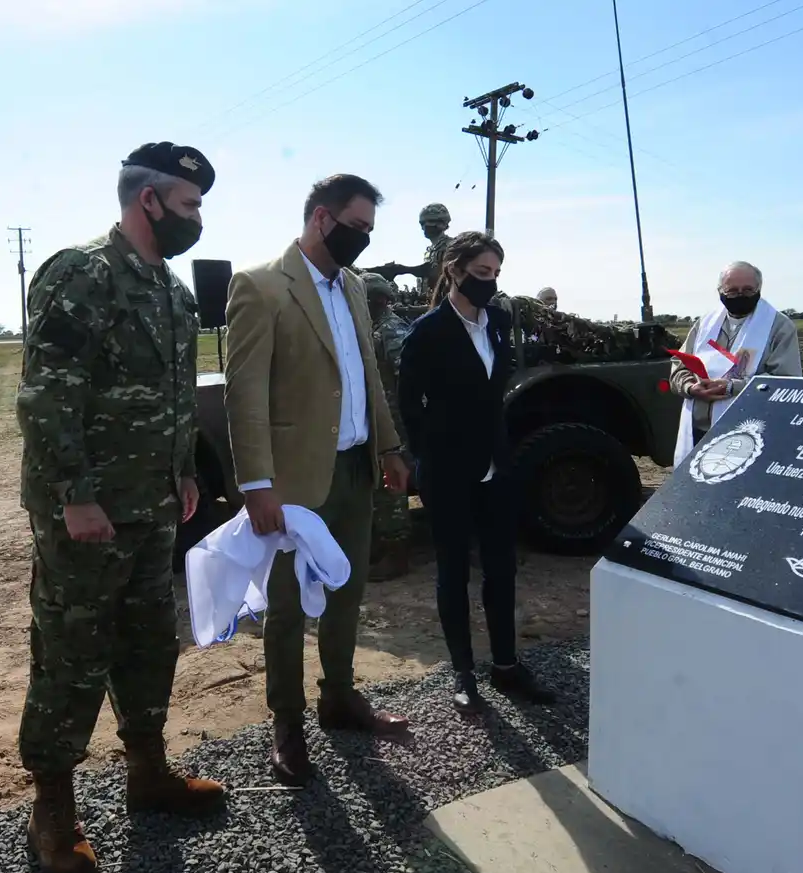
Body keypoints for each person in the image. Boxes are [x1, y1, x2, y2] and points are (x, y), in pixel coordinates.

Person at [15, 141, 225, 873]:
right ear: (149, 201)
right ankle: (52, 811)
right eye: (190, 205)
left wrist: (186, 472)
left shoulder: (172, 291)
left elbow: (174, 399)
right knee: (72, 656)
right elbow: (46, 394)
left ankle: (148, 773)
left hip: (154, 505)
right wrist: (74, 496)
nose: (197, 218)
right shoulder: (84, 275)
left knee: (147, 645)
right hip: (88, 514)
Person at [223, 173, 412, 788]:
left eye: (369, 231)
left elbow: (365, 374)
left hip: (355, 468)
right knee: (286, 609)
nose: (362, 239)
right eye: (355, 227)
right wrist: (256, 484)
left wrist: (387, 445)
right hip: (294, 482)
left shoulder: (354, 287)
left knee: (347, 592)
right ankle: (287, 723)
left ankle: (339, 697)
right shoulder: (260, 285)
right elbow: (244, 392)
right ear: (321, 218)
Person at [399, 232, 557, 713]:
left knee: (501, 569)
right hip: (448, 472)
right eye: (481, 273)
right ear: (455, 270)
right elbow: (411, 407)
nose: (489, 283)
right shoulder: (428, 331)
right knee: (453, 573)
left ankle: (506, 666)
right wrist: (432, 460)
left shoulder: (497, 322)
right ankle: (463, 673)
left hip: (495, 467)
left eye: (495, 274)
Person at [669, 261, 802, 467]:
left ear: (759, 289)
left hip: (747, 433)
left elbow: (787, 382)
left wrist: (733, 387)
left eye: (748, 290)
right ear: (720, 291)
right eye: (732, 291)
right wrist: (690, 387)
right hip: (698, 430)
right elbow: (680, 364)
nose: (740, 296)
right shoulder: (705, 324)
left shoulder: (779, 326)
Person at [363, 272, 413, 582]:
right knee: (378, 487)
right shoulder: (375, 328)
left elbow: (408, 377)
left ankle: (398, 552)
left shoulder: (392, 330)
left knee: (391, 488)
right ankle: (383, 544)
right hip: (380, 421)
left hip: (394, 423)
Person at [419, 202, 453, 296]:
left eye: (430, 221)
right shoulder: (429, 251)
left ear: (442, 223)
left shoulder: (451, 246)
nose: (425, 226)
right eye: (422, 223)